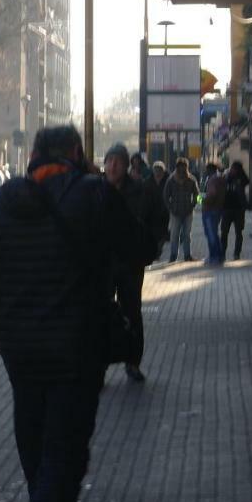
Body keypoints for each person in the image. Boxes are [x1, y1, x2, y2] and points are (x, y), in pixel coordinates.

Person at [0, 126, 153, 502]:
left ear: (32, 155)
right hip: (76, 356)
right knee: (61, 465)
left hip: (23, 362)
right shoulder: (93, 195)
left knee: (39, 463)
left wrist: (9, 338)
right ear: (75, 152)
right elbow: (140, 245)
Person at [106, 144, 150, 382]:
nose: (113, 166)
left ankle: (133, 361)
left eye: (118, 161)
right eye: (109, 161)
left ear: (126, 165)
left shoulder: (139, 191)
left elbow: (154, 220)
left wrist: (149, 250)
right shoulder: (96, 189)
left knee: (132, 312)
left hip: (130, 264)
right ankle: (99, 364)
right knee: (100, 313)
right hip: (102, 264)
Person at [130, 152, 169, 259]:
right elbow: (144, 196)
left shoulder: (167, 181)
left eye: (159, 170)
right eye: (155, 170)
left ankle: (158, 250)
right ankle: (155, 252)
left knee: (163, 234)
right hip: (151, 211)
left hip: (164, 210)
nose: (157, 172)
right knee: (153, 233)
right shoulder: (148, 182)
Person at [163, 158, 199, 262]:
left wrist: (194, 204)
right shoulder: (171, 180)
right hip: (175, 213)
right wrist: (170, 208)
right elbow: (165, 195)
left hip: (188, 212)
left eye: (184, 167)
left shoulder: (191, 179)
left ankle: (187, 255)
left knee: (187, 235)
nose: (182, 169)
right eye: (180, 167)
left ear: (187, 168)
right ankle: (173, 256)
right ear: (177, 167)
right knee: (174, 235)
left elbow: (198, 194)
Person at [220, 161, 250, 261]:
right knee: (224, 232)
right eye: (232, 168)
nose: (232, 170)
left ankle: (237, 253)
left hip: (239, 209)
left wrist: (239, 176)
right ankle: (222, 253)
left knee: (238, 233)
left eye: (235, 169)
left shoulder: (242, 178)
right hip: (226, 209)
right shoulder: (226, 177)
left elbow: (247, 182)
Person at [200, 162, 226, 265]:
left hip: (209, 210)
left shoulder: (212, 180)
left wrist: (200, 200)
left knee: (211, 234)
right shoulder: (221, 178)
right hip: (218, 209)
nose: (205, 172)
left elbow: (211, 194)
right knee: (214, 234)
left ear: (209, 170)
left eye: (206, 170)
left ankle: (214, 257)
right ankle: (219, 256)